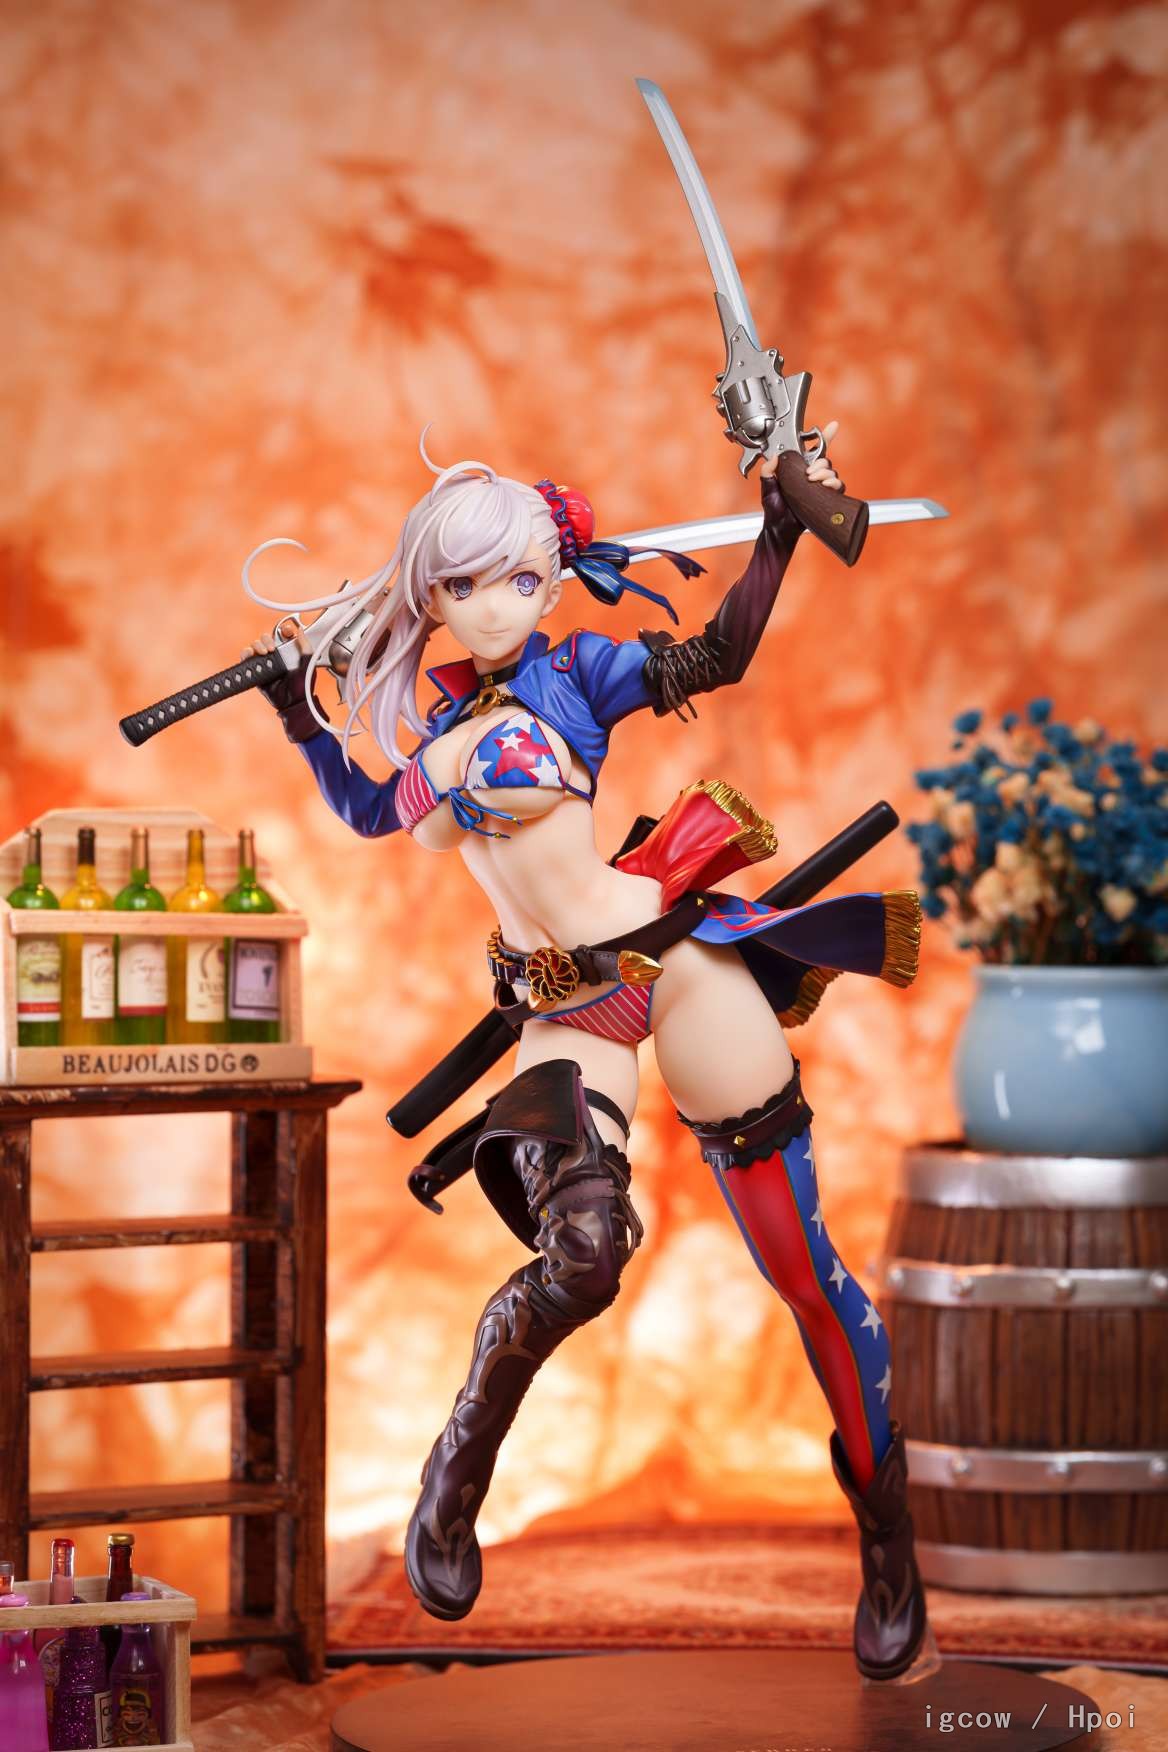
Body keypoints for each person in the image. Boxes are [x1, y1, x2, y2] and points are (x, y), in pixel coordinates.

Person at [243, 428, 931, 1680]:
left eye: (518, 577)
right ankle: (455, 1472)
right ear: (431, 594)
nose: (491, 605)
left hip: (675, 973)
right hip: (565, 1012)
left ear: (551, 579)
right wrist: (299, 712)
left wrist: (776, 534)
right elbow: (364, 809)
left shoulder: (581, 676)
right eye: (462, 584)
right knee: (582, 1257)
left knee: (801, 1271)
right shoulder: (441, 718)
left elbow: (715, 656)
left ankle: (887, 1536)